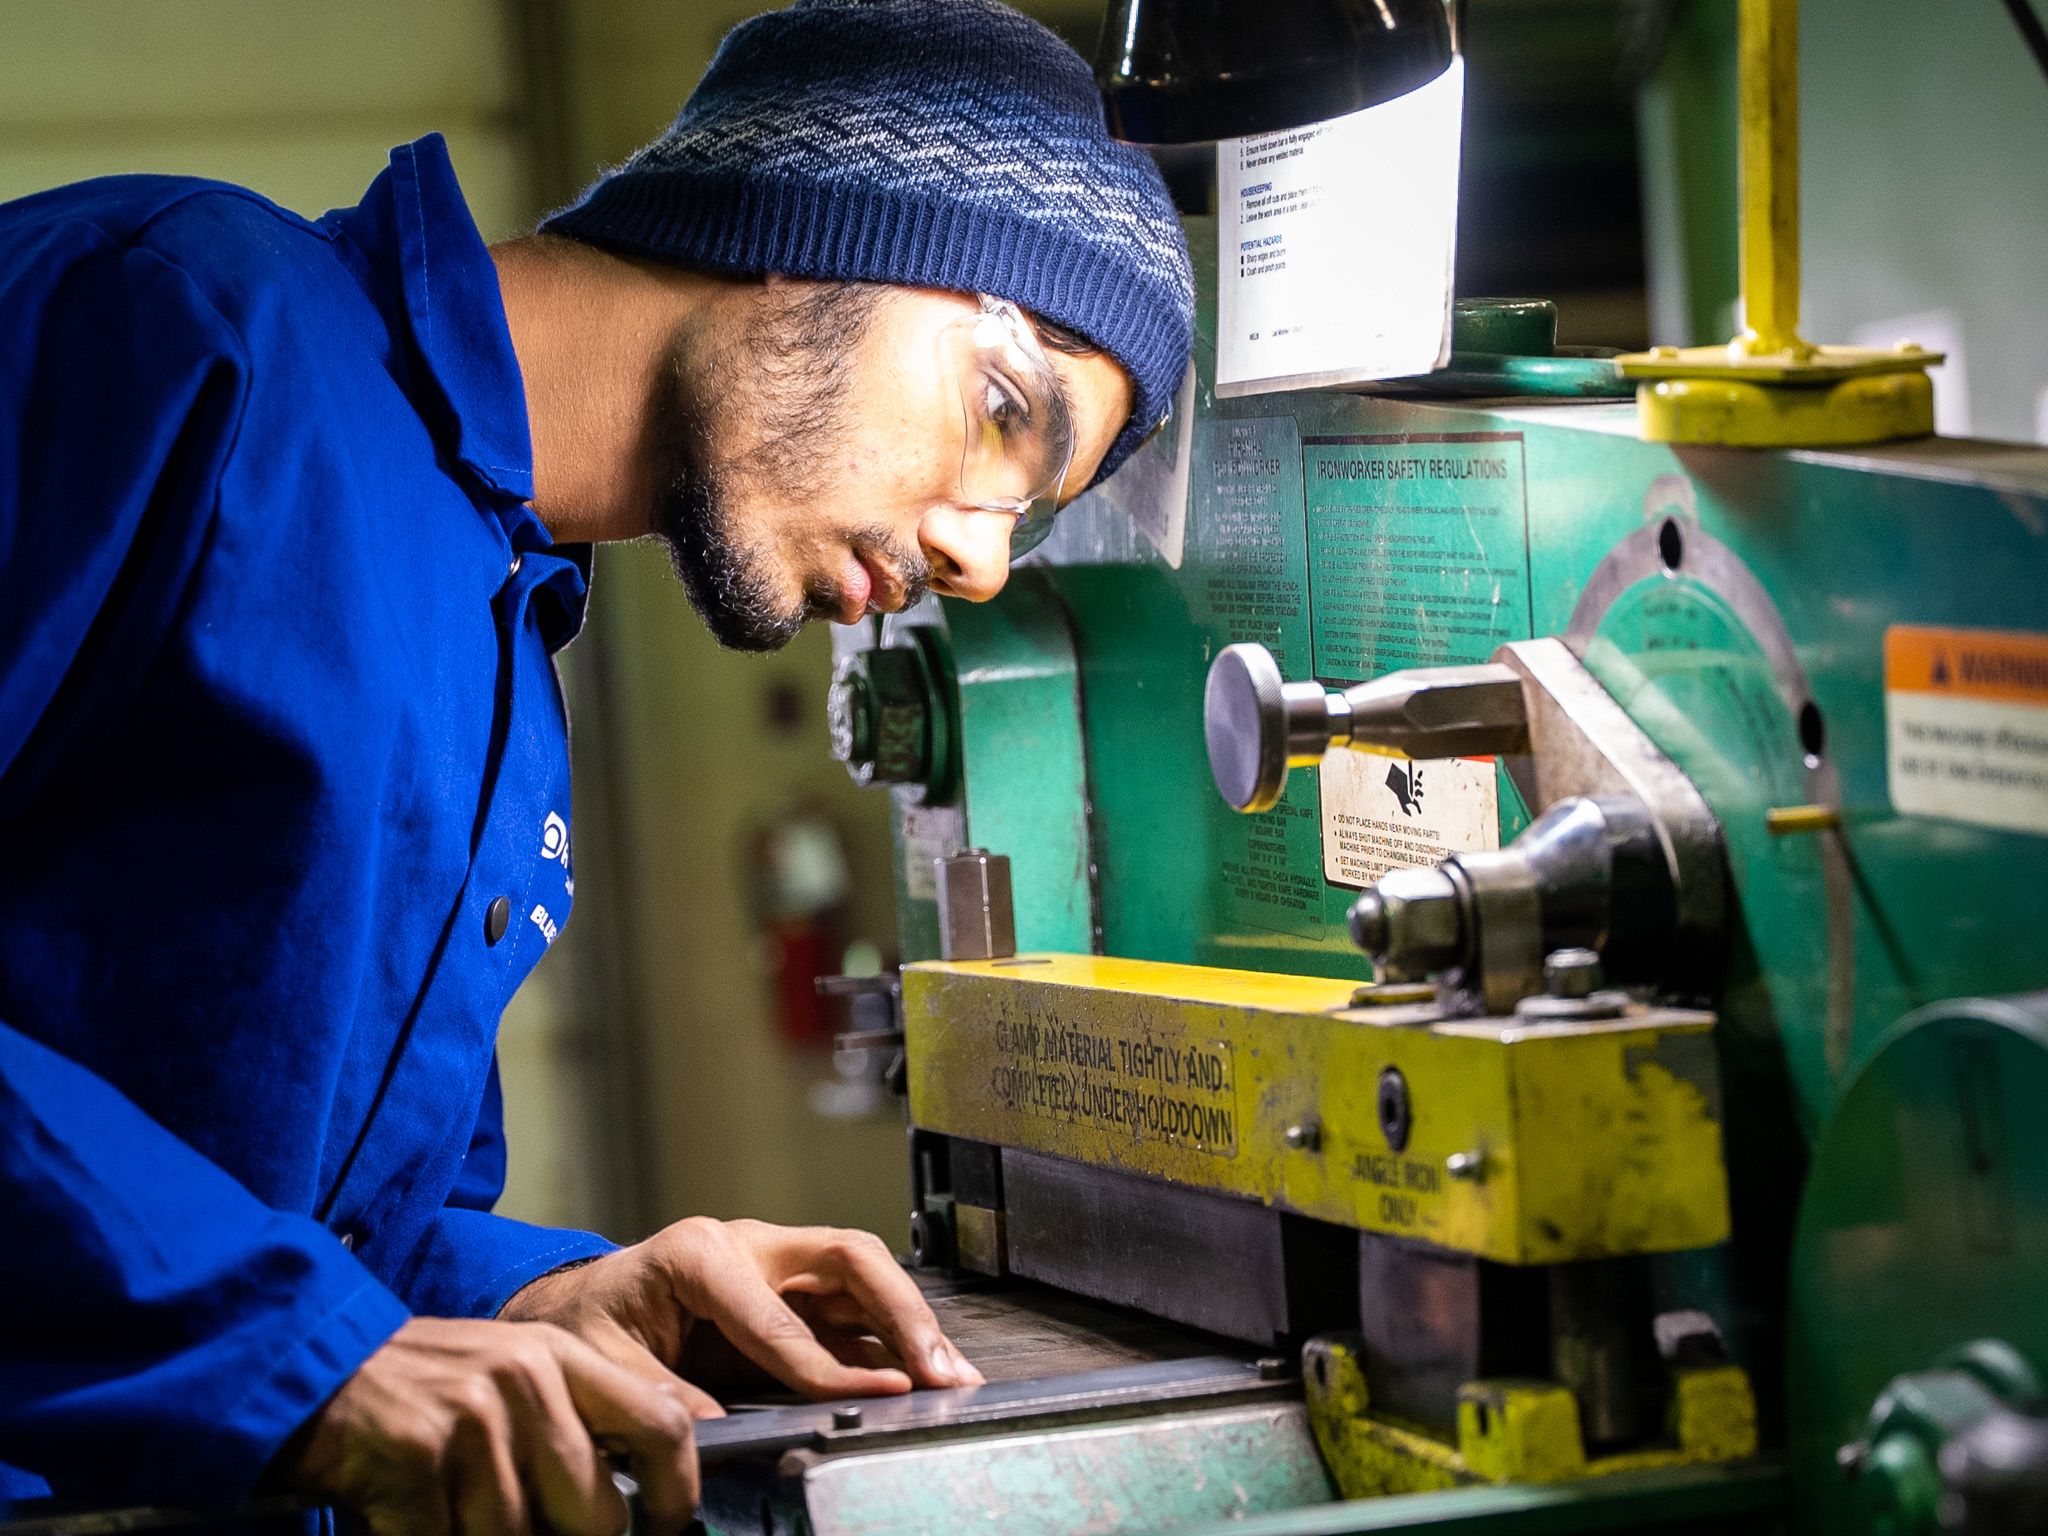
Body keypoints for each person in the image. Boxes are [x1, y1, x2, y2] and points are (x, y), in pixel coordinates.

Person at [0, 0, 1194, 1531]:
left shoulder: (503, 668)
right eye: (1004, 413)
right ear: (817, 221)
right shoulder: (177, 325)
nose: (978, 556)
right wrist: (297, 1363)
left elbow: (317, 1232)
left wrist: (548, 1293)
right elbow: (290, 1338)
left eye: (1030, 511)